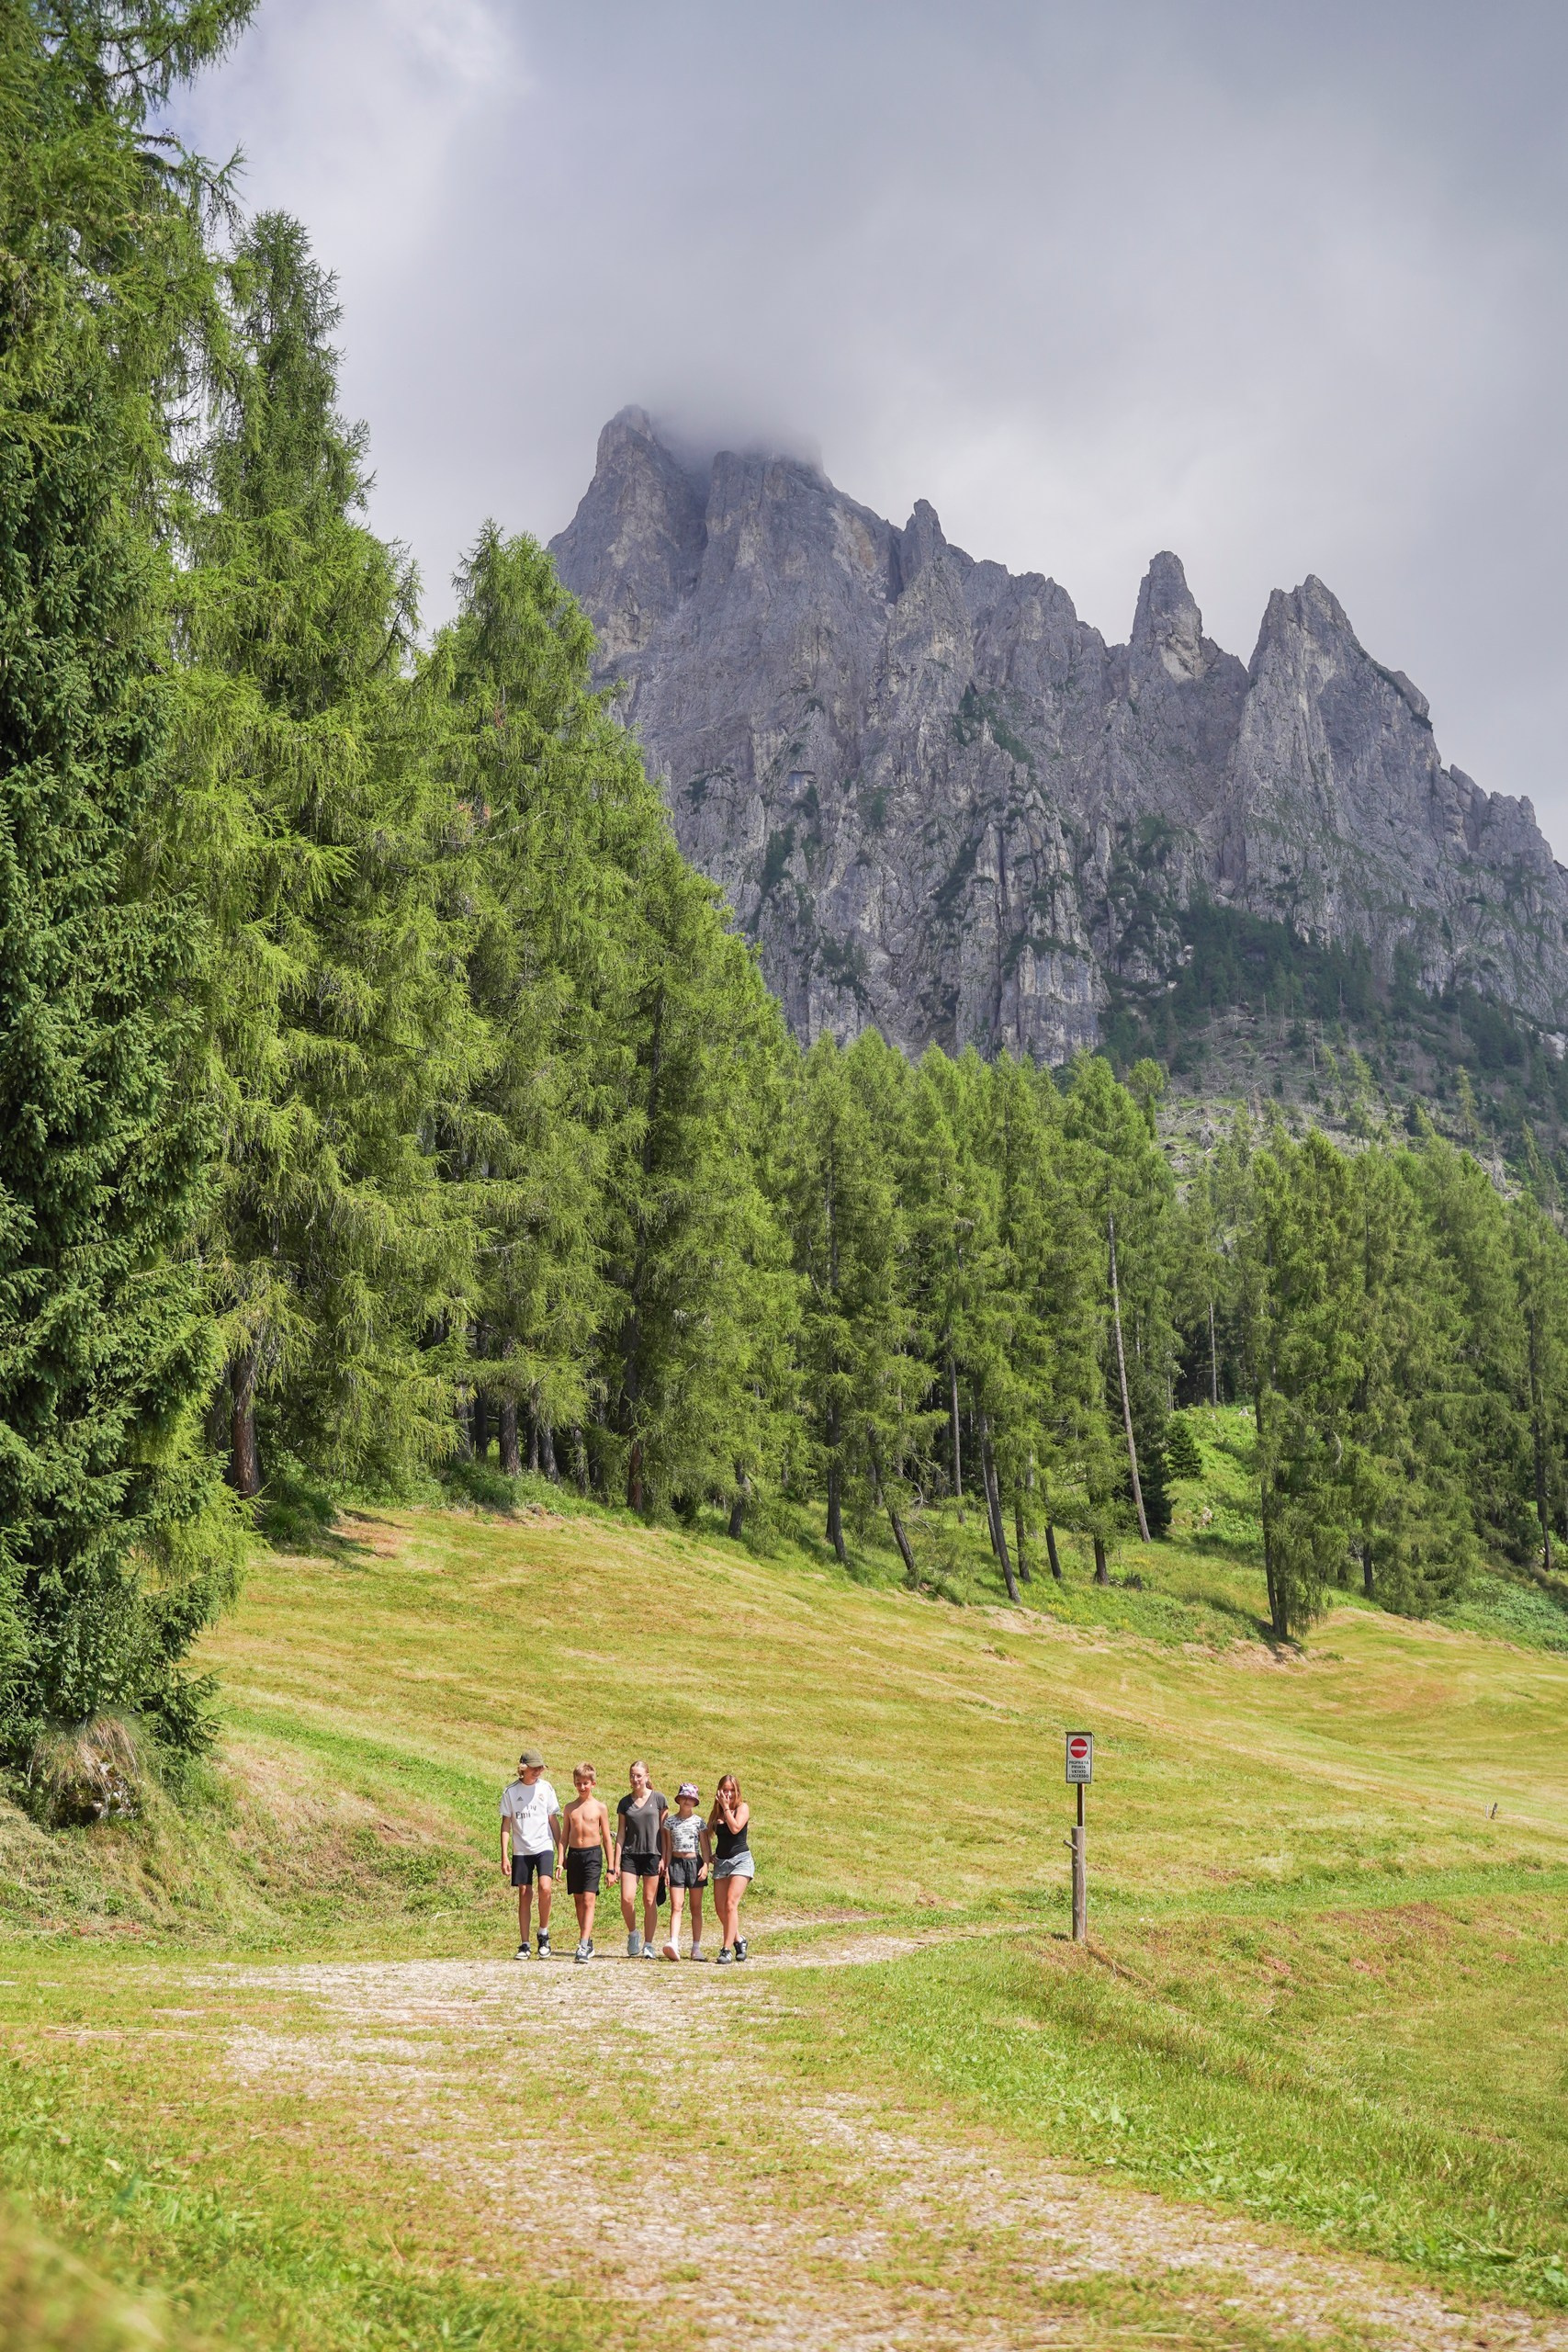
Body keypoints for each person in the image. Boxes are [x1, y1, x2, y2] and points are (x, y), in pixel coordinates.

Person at [500, 1747, 561, 1959]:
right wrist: (505, 1855)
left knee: (546, 1888)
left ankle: (543, 1933)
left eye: (540, 1768)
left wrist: (561, 1852)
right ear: (522, 1769)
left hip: (544, 1846)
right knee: (524, 1894)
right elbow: (506, 1825)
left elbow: (554, 1821)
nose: (537, 1772)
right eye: (533, 1768)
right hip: (521, 1849)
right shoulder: (511, 1792)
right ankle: (524, 1944)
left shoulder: (546, 1789)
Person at [560, 1762, 615, 1963]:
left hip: (593, 1855)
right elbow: (563, 1837)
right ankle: (588, 1939)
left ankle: (582, 1945)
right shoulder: (569, 1808)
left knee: (588, 1900)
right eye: (578, 1783)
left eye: (585, 1783)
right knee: (578, 1900)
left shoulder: (600, 1807)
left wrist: (611, 1868)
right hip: (574, 1855)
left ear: (593, 1783)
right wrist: (560, 1860)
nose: (582, 1787)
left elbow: (607, 1838)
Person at [613, 1759, 668, 1958]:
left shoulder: (659, 1800)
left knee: (649, 1900)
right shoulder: (624, 1803)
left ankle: (649, 1944)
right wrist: (615, 1864)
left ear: (647, 1777)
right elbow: (620, 1834)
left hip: (653, 1854)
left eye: (638, 1775)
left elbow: (664, 1833)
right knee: (627, 1899)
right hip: (630, 1855)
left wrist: (664, 1858)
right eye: (632, 1775)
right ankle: (633, 1933)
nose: (635, 1779)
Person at [660, 1781, 712, 1962]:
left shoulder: (699, 1822)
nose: (687, 1801)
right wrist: (666, 1868)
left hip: (694, 1863)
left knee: (695, 1907)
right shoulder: (670, 1822)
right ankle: (673, 1942)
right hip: (675, 1864)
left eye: (691, 1798)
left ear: (695, 1802)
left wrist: (705, 1865)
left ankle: (696, 1947)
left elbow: (705, 1847)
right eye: (684, 1797)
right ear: (679, 1799)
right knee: (676, 1905)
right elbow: (667, 1847)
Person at [708, 1773, 752, 1964]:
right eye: (724, 1790)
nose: (728, 1794)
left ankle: (726, 1949)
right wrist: (707, 1854)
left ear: (737, 1791)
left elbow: (735, 1829)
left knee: (730, 1904)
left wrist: (726, 1809)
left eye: (731, 1790)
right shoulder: (716, 1812)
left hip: (741, 1861)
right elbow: (706, 1833)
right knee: (720, 1909)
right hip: (721, 1863)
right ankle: (739, 1940)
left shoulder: (742, 1808)